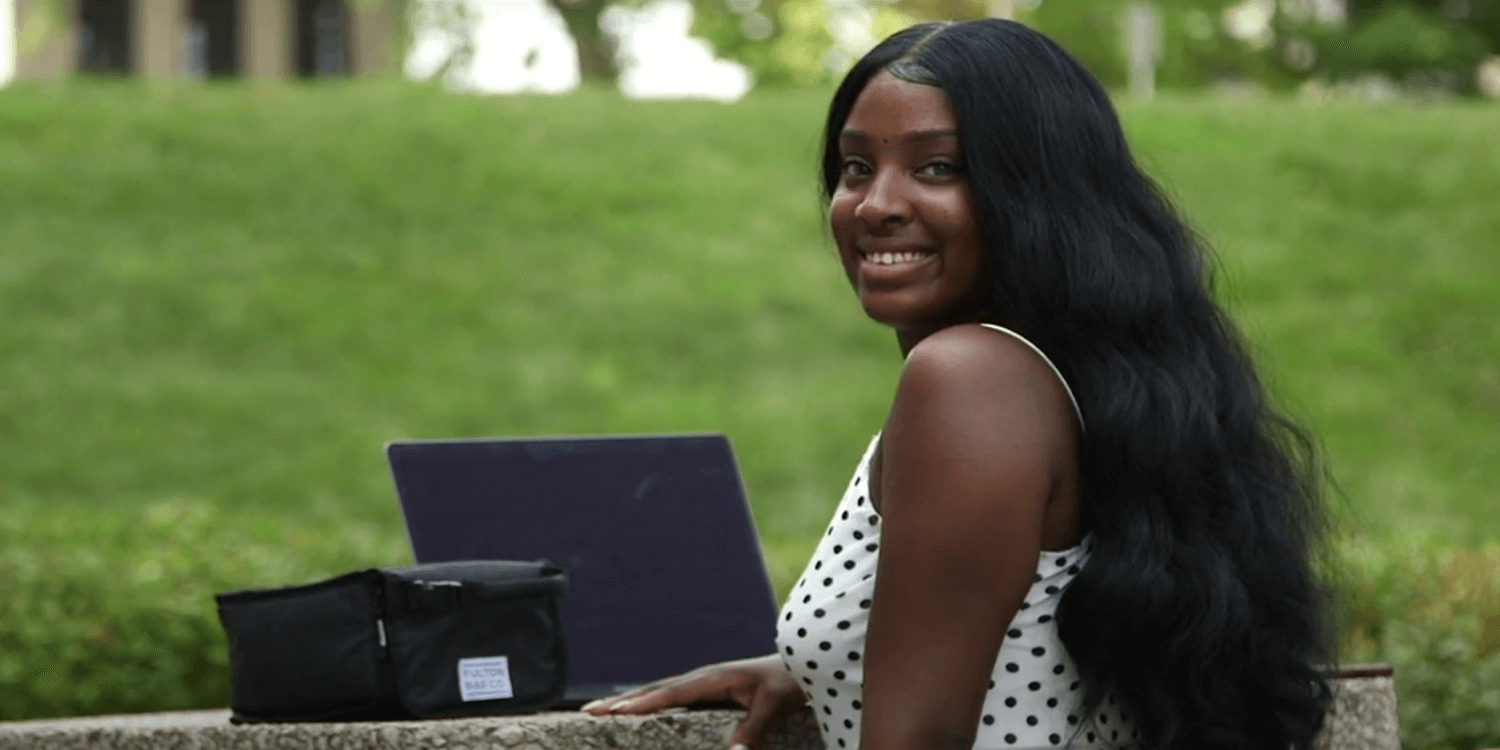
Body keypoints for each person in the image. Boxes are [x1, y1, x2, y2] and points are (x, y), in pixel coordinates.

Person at [584, 18, 1332, 750]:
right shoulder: (1089, 383)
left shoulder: (968, 379)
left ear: (1035, 194)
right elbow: (1024, 643)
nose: (876, 205)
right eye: (855, 168)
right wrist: (820, 671)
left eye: (937, 166)